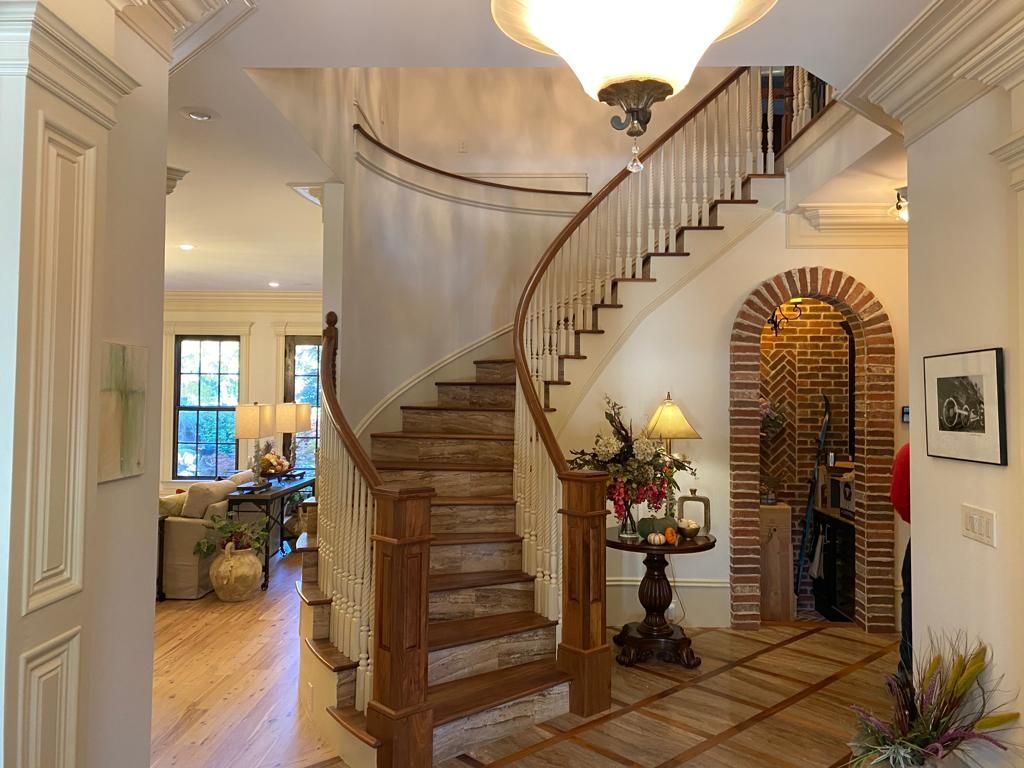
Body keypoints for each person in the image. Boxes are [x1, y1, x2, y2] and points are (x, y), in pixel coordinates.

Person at [890, 443, 911, 675]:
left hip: (923, 538)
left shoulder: (909, 452)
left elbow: (899, 499)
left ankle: (908, 670)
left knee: (912, 600)